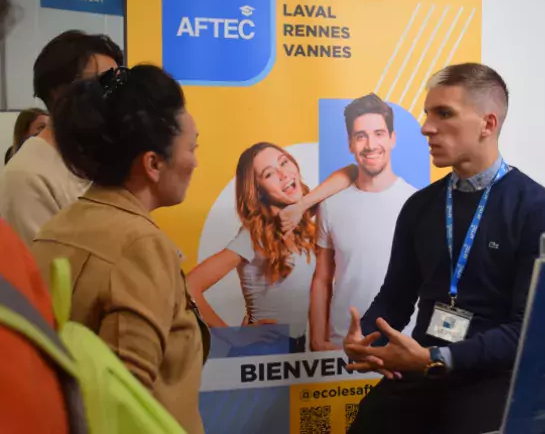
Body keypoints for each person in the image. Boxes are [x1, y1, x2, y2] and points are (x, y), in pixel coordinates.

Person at [343, 63, 545, 434]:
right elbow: (395, 297)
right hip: (422, 368)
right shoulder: (421, 206)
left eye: (444, 114)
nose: (425, 127)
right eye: (427, 113)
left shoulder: (540, 209)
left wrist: (438, 357)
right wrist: (368, 338)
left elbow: (530, 329)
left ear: (488, 124)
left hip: (493, 377)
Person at [30, 65, 209, 434]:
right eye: (192, 148)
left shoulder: (56, 228)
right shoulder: (141, 245)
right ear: (153, 164)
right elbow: (124, 409)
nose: (196, 161)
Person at [187, 142, 356, 354]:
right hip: (263, 350)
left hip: (295, 348)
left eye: (284, 162)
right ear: (257, 191)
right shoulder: (252, 236)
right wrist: (234, 337)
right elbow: (190, 285)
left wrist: (301, 206)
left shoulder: (298, 219)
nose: (283, 174)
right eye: (269, 174)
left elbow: (352, 172)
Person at [309, 93, 418, 351]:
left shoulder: (417, 203)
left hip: (403, 346)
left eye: (379, 133)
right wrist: (317, 340)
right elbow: (322, 278)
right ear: (350, 143)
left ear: (392, 138)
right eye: (361, 136)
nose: (370, 145)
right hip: (342, 346)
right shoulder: (331, 205)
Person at [0, 30, 123, 245]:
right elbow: (43, 271)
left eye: (119, 83)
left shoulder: (97, 163)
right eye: (106, 83)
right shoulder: (28, 176)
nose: (116, 96)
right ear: (61, 92)